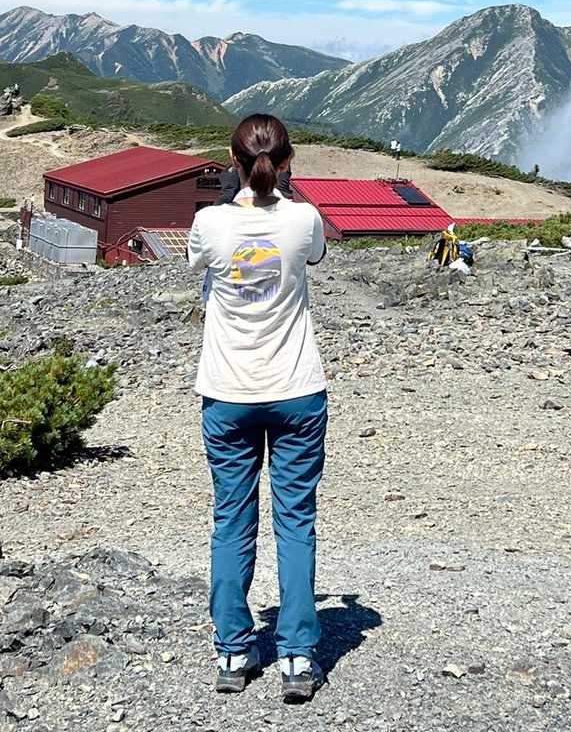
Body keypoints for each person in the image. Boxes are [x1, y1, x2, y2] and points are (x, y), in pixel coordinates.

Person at [187, 113, 328, 703]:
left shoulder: (209, 223)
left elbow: (199, 267)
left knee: (232, 519)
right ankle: (296, 655)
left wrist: (233, 199)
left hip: (228, 391)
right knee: (295, 521)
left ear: (232, 159)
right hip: (296, 387)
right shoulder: (304, 218)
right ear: (288, 162)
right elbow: (314, 256)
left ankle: (234, 649)